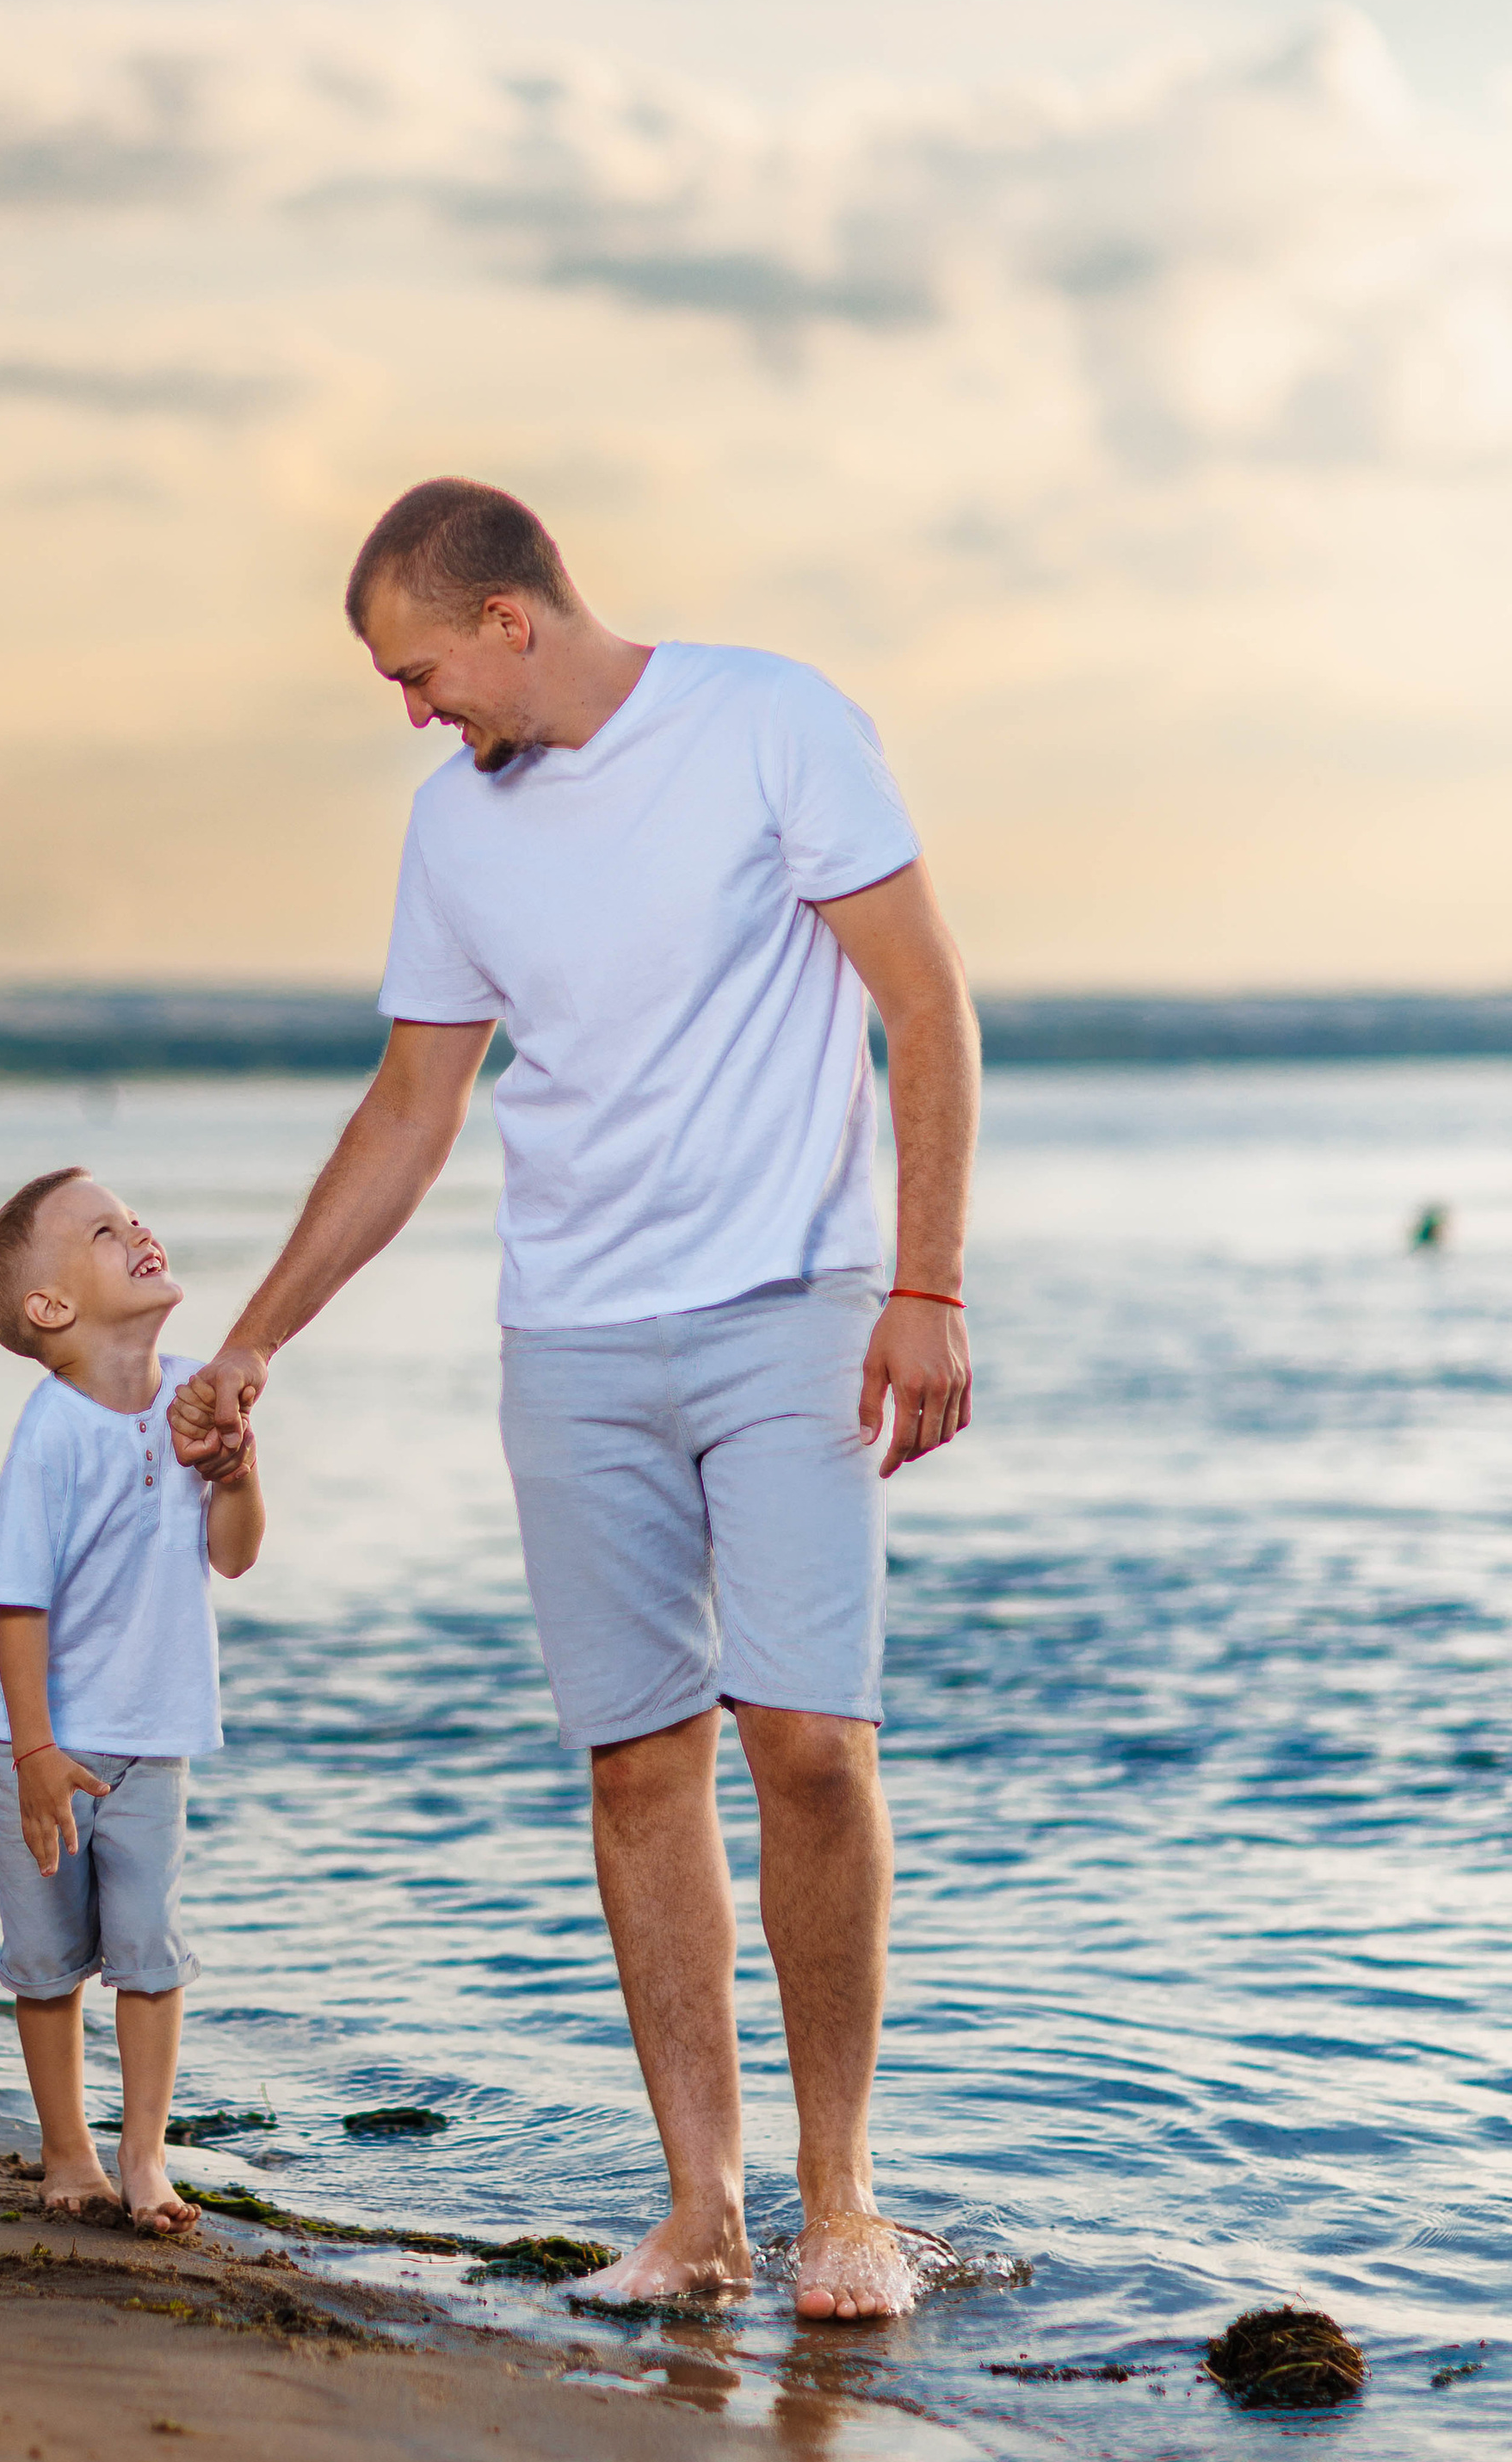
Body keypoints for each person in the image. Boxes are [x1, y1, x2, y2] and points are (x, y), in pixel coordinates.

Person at [172, 479, 978, 2320]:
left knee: (808, 1741)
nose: (414, 711)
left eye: (421, 670)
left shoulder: (769, 722)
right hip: (573, 1339)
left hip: (792, 1303)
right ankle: (698, 2219)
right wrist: (255, 1338)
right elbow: (409, 1111)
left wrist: (924, 1286)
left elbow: (923, 1008)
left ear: (510, 617)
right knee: (636, 1759)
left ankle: (838, 2202)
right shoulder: (452, 832)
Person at [0, 1164, 263, 2236]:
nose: (139, 1231)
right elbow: (19, 1611)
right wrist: (36, 1755)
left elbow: (232, 1559)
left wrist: (235, 1472)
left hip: (153, 1738)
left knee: (147, 1949)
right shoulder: (49, 1435)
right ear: (50, 1309)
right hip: (33, 1742)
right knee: (47, 1963)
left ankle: (145, 2159)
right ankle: (66, 2153)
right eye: (103, 1231)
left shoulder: (193, 1392)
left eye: (134, 1217)